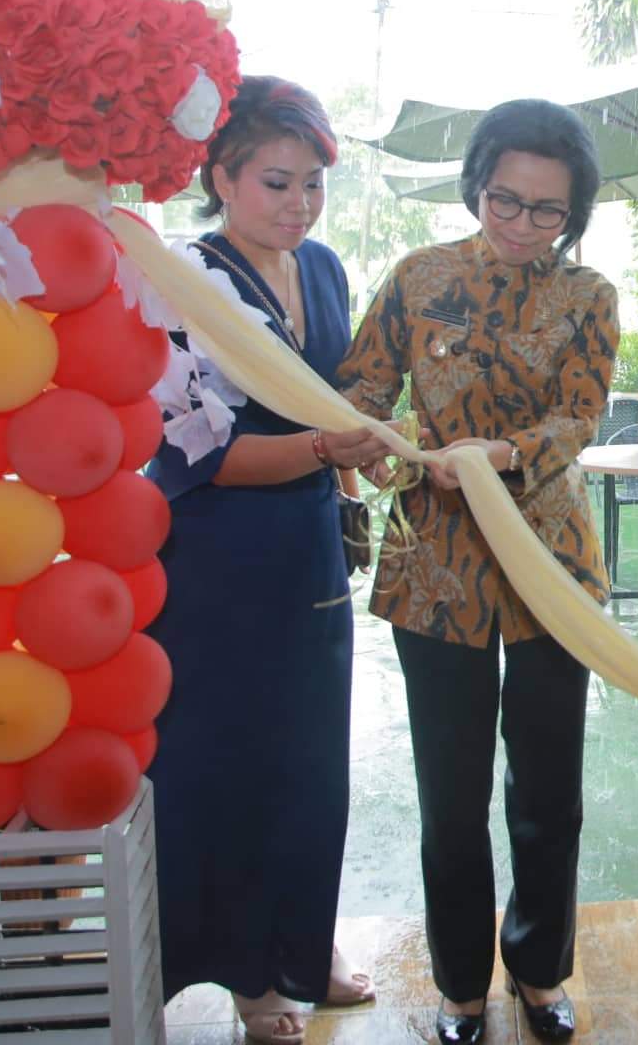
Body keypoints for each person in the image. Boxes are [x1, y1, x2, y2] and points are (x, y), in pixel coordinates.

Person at [335, 99, 617, 1045]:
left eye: (548, 210)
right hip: (437, 572)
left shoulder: (589, 296)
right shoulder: (418, 278)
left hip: (550, 563)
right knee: (451, 799)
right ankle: (460, 986)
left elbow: (580, 415)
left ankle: (539, 970)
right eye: (506, 200)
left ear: (573, 213)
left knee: (548, 796)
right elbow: (362, 391)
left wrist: (503, 456)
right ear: (475, 188)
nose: (524, 224)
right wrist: (378, 447)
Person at [145, 77, 387, 1045]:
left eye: (313, 185)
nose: (299, 205)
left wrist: (356, 468)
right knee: (231, 767)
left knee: (313, 763)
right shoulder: (183, 283)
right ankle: (252, 980)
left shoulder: (321, 269)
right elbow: (195, 457)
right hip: (218, 565)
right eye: (277, 184)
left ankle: (304, 945)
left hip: (310, 554)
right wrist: (329, 449)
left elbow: (338, 400)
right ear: (222, 178)